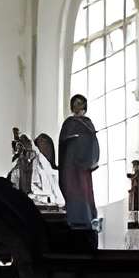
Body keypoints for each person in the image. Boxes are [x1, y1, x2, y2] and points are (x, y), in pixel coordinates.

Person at [56, 94, 100, 236]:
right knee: (71, 189)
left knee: (84, 190)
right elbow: (62, 144)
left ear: (84, 105)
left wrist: (83, 143)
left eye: (80, 103)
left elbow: (93, 142)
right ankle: (73, 218)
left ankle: (86, 219)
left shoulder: (88, 123)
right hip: (70, 163)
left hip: (82, 165)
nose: (77, 105)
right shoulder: (68, 123)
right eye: (74, 103)